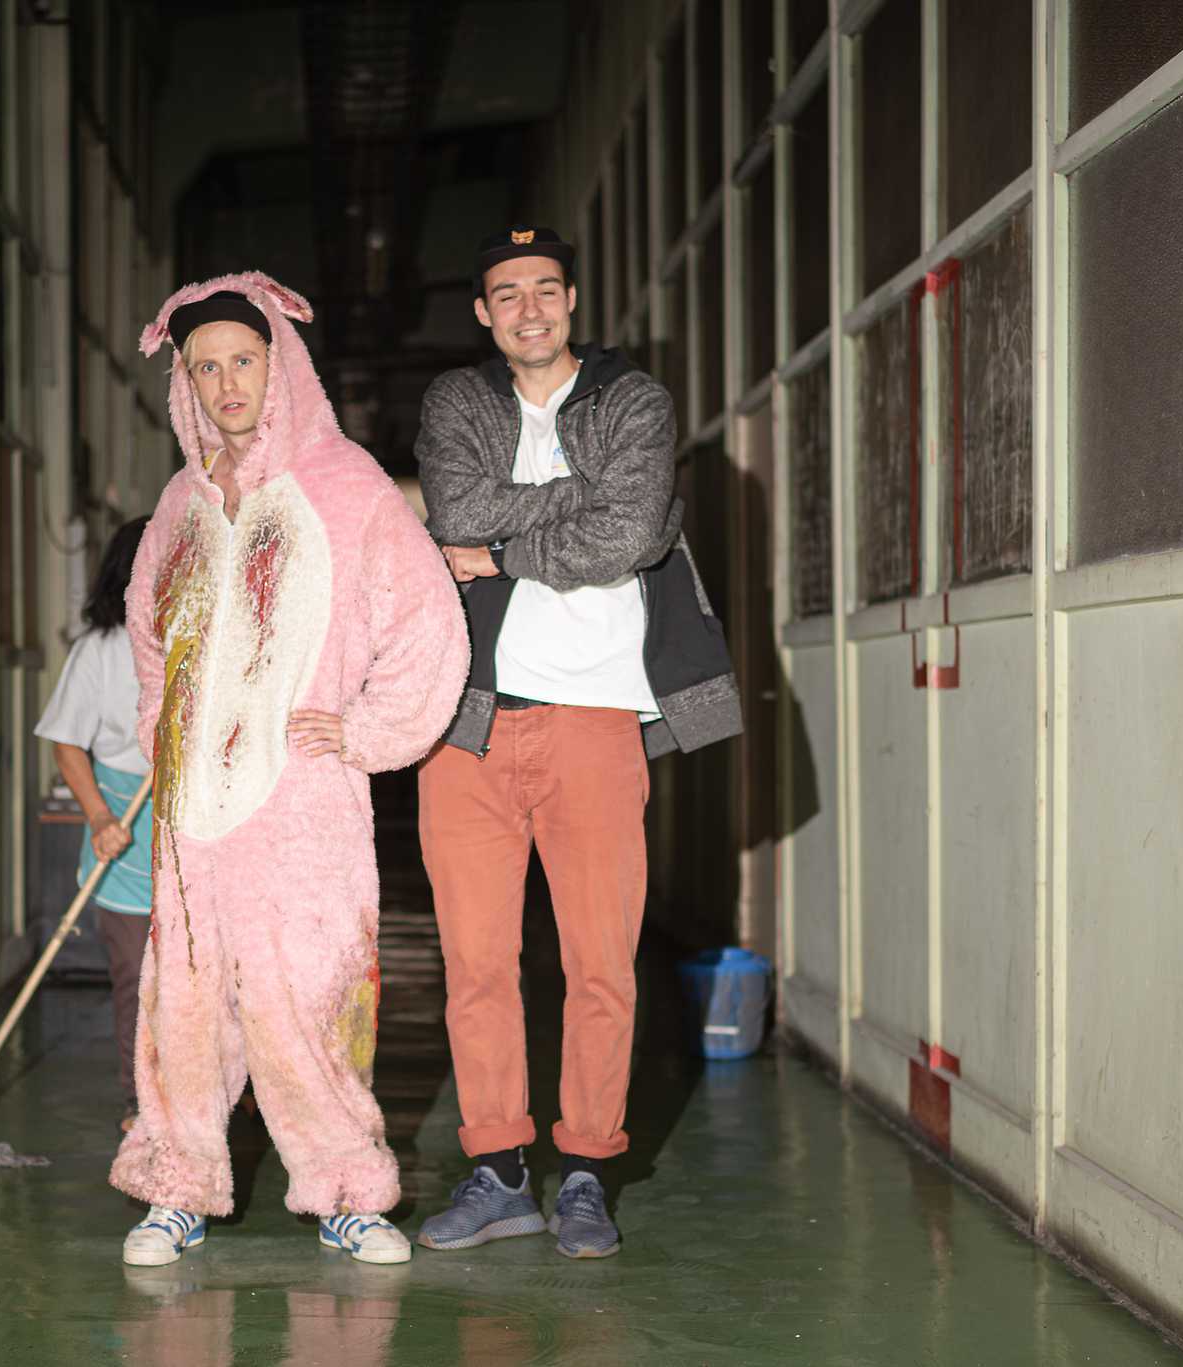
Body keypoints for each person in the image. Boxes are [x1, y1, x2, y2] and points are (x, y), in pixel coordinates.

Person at [109, 273, 469, 1268]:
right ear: (184, 383)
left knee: (307, 994)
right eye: (205, 367)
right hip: (194, 810)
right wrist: (161, 727)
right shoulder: (179, 502)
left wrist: (364, 729)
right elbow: (147, 631)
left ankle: (346, 1191)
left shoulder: (347, 487)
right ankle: (177, 1185)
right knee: (183, 1002)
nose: (227, 383)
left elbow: (427, 621)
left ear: (282, 366)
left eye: (243, 360)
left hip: (303, 801)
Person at [412, 226, 741, 1260]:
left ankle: (588, 1172)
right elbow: (455, 506)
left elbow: (635, 530)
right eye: (506, 293)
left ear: (571, 301)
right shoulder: (457, 403)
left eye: (545, 289)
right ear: (483, 312)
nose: (528, 309)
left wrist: (500, 549)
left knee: (599, 963)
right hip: (466, 720)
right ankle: (499, 1171)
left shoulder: (631, 399)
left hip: (596, 719)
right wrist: (584, 503)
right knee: (477, 963)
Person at [34, 516, 153, 1136]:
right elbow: (66, 742)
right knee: (137, 975)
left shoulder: (207, 640)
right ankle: (141, 1104)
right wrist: (101, 816)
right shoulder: (100, 650)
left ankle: (220, 1096)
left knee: (212, 978)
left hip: (198, 827)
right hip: (123, 828)